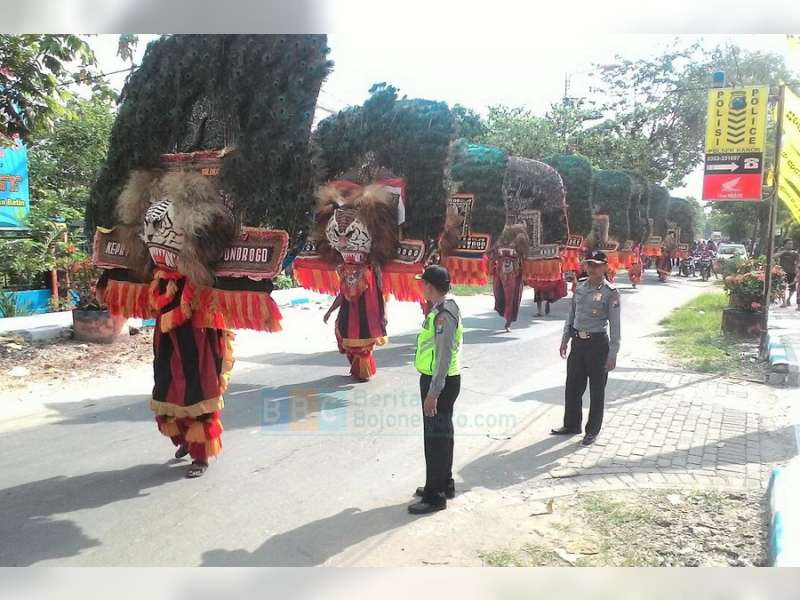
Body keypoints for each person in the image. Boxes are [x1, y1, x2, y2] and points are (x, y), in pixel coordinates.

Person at [408, 265, 463, 515]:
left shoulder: (443, 314)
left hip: (439, 381)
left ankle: (435, 496)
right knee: (443, 434)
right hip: (444, 380)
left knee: (435, 439)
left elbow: (443, 356)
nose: (422, 288)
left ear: (430, 287)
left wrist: (433, 392)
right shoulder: (445, 307)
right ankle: (444, 483)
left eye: (423, 284)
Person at [551, 250, 621, 446]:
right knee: (572, 387)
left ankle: (592, 431)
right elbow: (571, 316)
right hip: (578, 343)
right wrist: (565, 339)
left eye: (597, 265)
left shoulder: (611, 293)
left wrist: (613, 354)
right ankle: (572, 424)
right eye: (589, 264)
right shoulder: (580, 288)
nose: (592, 268)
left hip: (598, 346)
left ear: (605, 267)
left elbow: (615, 326)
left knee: (597, 390)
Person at [777, 240, 800, 307]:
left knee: (792, 288)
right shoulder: (782, 252)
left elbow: (798, 260)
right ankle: (784, 302)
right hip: (782, 272)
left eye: (791, 244)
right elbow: (774, 256)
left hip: (792, 272)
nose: (790, 245)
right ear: (784, 245)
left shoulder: (794, 253)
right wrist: (783, 252)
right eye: (789, 244)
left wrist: (797, 268)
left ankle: (788, 299)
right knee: (782, 287)